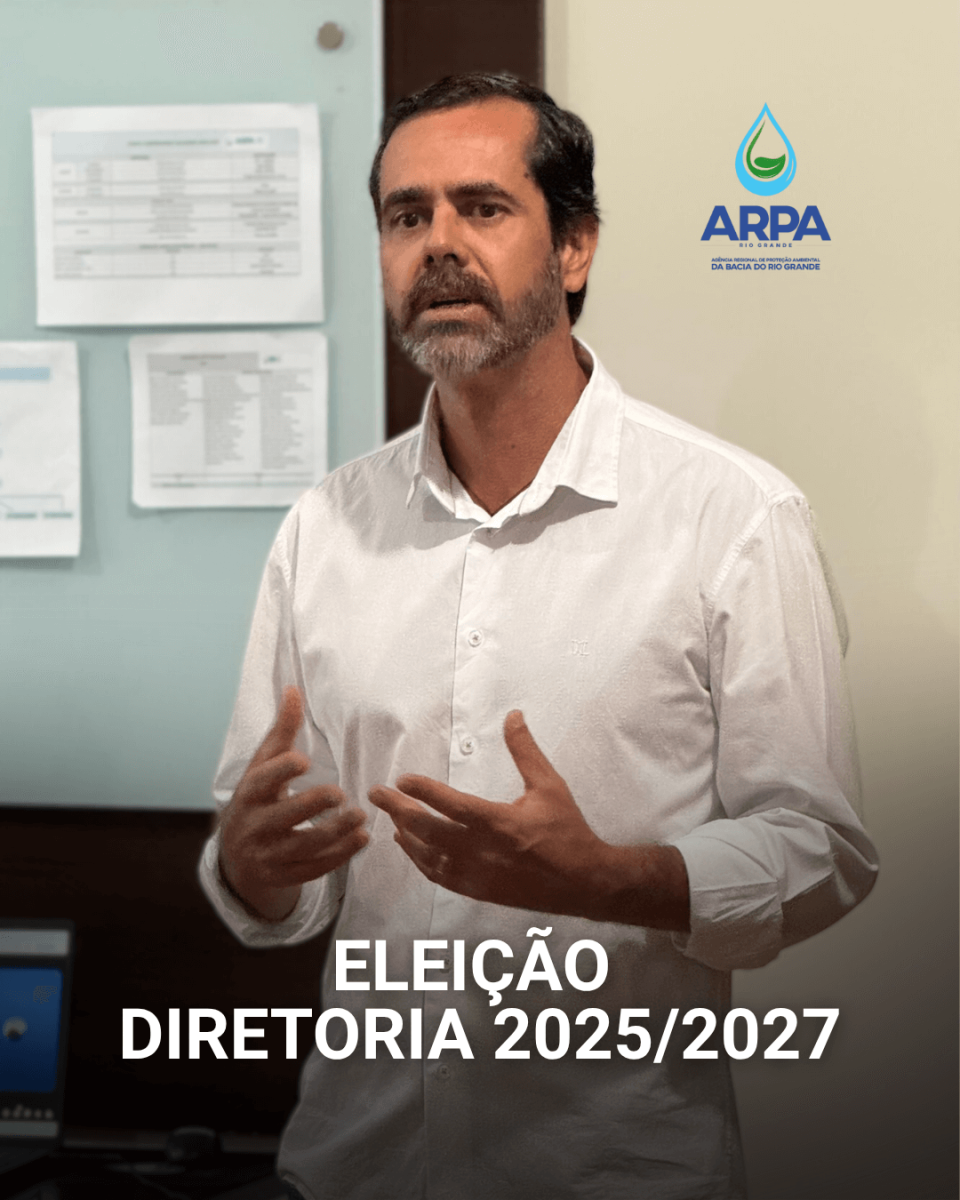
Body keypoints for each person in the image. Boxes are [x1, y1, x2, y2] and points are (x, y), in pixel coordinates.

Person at [199, 73, 878, 1200]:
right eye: (406, 216)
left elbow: (820, 850)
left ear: (574, 248)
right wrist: (251, 868)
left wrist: (612, 879)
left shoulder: (733, 516)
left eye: (483, 207)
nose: (438, 244)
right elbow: (280, 870)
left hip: (615, 1172)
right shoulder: (326, 527)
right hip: (355, 1169)